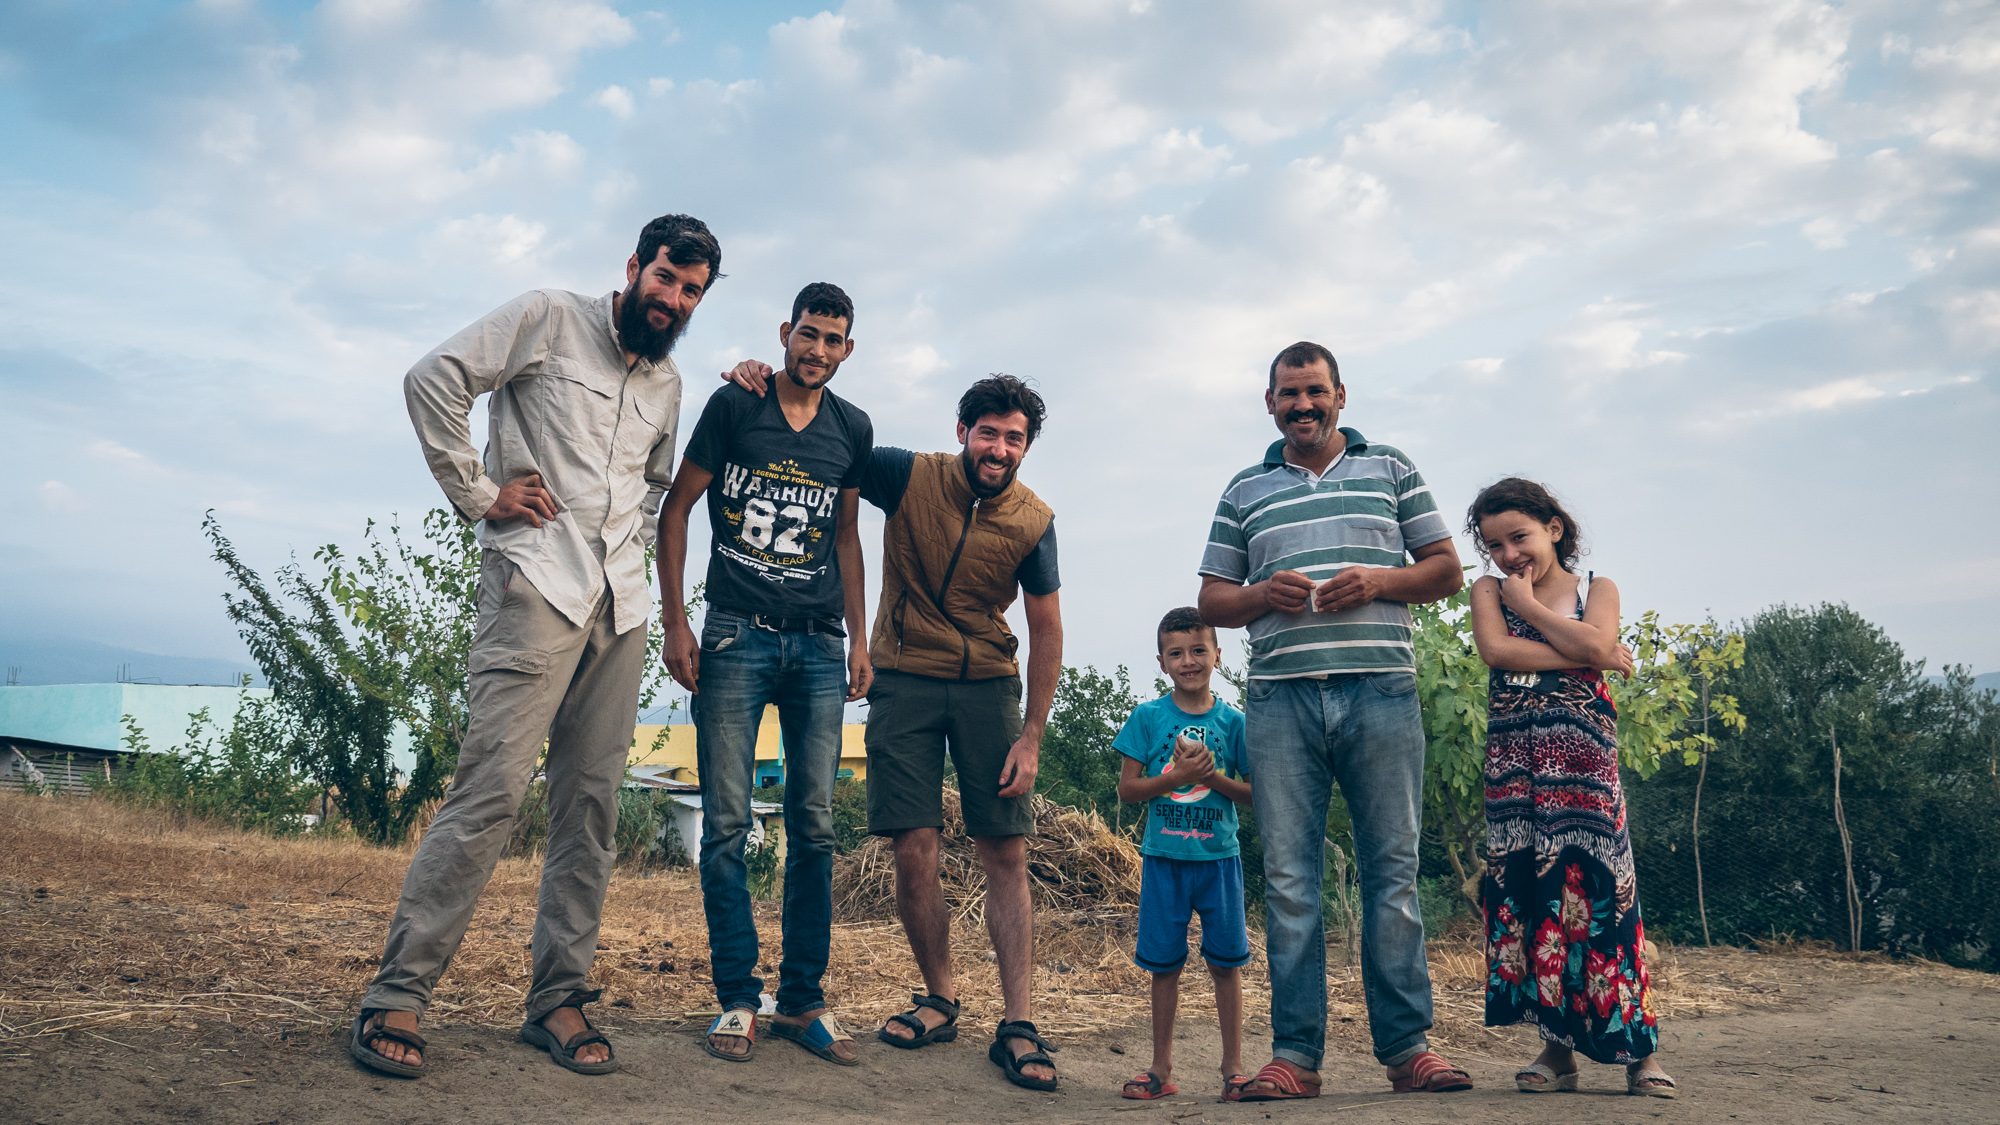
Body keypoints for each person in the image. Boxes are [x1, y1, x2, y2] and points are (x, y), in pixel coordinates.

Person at [351, 214, 723, 1079]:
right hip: (535, 589)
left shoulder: (668, 383)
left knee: (590, 812)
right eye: (665, 278)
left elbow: (654, 485)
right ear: (635, 267)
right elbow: (433, 378)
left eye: (691, 291)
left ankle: (558, 999)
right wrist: (480, 492)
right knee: (488, 793)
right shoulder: (550, 316)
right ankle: (397, 994)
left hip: (619, 609)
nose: (672, 300)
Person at [720, 362, 1064, 1090]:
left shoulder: (1035, 521)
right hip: (903, 676)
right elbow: (823, 443)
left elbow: (1046, 626)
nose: (998, 449)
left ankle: (1019, 1023)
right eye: (987, 433)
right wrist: (771, 382)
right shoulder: (910, 475)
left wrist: (1031, 734)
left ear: (1026, 447)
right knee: (914, 848)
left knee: (1004, 849)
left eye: (1013, 438)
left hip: (988, 685)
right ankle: (941, 997)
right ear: (962, 431)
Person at [1197, 341, 1470, 1100]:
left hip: (1381, 688)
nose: (1303, 405)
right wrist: (1261, 596)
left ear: (1341, 396)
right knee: (1289, 881)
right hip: (1282, 699)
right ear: (1270, 402)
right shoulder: (1245, 487)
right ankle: (1295, 1057)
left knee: (1394, 873)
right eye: (1289, 393)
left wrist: (1382, 579)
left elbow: (1446, 569)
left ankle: (1408, 1048)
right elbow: (1213, 599)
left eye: (1315, 391)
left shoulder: (1391, 467)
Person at [657, 282, 873, 1067]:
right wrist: (678, 620)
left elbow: (847, 534)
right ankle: (738, 999)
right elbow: (676, 509)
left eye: (833, 340)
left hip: (818, 643)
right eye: (808, 334)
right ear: (785, 333)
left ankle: (802, 1000)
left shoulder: (853, 427)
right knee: (726, 824)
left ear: (849, 349)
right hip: (734, 634)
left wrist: (859, 636)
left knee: (814, 825)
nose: (817, 350)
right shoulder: (735, 407)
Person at [1464, 477, 1677, 1098]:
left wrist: (1530, 609)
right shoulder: (1485, 590)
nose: (1507, 556)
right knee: (1535, 901)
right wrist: (1588, 651)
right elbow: (1498, 653)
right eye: (1494, 544)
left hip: (1585, 769)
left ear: (1553, 528)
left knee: (1608, 898)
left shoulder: (1596, 588)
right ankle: (1557, 1053)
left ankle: (1641, 1054)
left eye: (1519, 537)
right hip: (1516, 768)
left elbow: (1595, 638)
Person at [1112, 607, 1253, 1103]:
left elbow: (1253, 794)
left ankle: (1234, 1068)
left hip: (1220, 861)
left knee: (1226, 965)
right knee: (1164, 966)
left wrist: (1212, 779)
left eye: (1198, 650)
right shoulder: (1147, 718)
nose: (1188, 661)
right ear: (1161, 661)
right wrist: (1174, 779)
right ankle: (1160, 1068)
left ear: (1217, 654)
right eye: (1176, 653)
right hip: (1164, 862)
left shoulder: (1235, 723)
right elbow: (1128, 790)